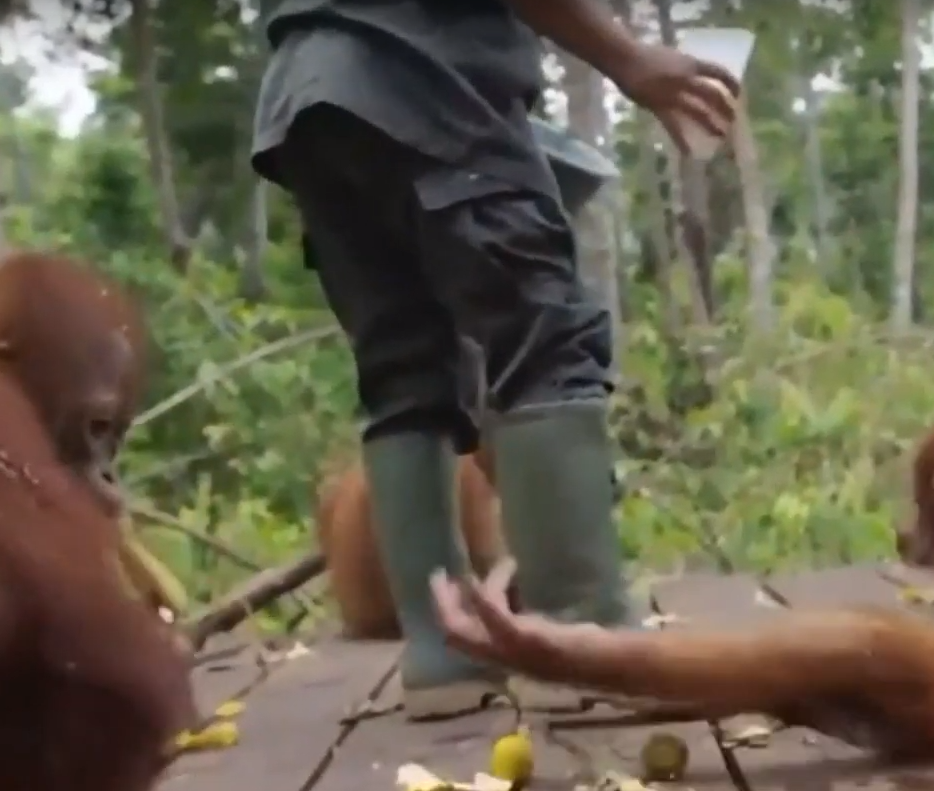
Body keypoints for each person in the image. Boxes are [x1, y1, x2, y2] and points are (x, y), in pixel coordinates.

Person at [250, 0, 739, 719]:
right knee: (544, 337)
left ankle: (442, 653)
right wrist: (633, 60)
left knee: (403, 372)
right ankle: (583, 637)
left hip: (306, 98)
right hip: (420, 76)